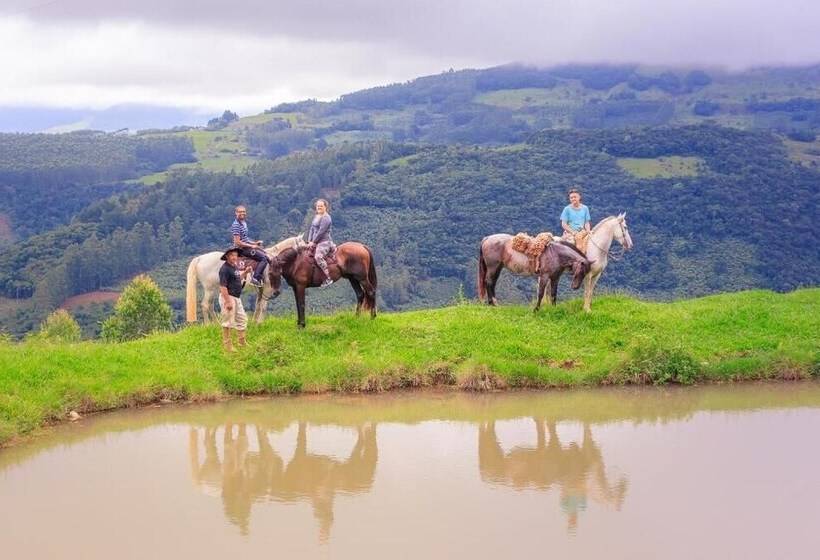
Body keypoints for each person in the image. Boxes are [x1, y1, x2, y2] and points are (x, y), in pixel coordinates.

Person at [218, 246, 252, 352]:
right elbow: (223, 287)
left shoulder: (234, 267)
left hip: (237, 297)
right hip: (228, 297)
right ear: (227, 256)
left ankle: (241, 342)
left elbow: (237, 279)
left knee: (242, 319)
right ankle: (227, 346)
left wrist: (245, 272)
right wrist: (227, 301)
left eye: (236, 255)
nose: (234, 257)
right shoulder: (224, 269)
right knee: (228, 321)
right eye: (232, 255)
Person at [230, 205, 270, 287]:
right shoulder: (236, 225)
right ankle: (255, 278)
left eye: (244, 211)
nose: (242, 213)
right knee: (264, 258)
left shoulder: (244, 223)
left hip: (246, 246)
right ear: (236, 213)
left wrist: (254, 243)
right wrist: (251, 246)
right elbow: (237, 242)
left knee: (264, 253)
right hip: (241, 249)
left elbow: (245, 238)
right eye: (240, 212)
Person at [307, 198, 335, 288]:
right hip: (315, 241)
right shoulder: (316, 216)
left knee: (318, 257)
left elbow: (321, 232)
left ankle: (328, 277)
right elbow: (311, 229)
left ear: (325, 207)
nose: (319, 207)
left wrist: (314, 242)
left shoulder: (326, 218)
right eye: (318, 206)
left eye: (321, 206)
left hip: (324, 242)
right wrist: (309, 241)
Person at [560, 188, 592, 253]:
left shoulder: (585, 208)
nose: (573, 199)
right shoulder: (567, 209)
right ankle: (579, 259)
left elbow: (586, 222)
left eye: (575, 197)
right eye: (571, 198)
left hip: (582, 231)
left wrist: (588, 231)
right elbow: (564, 224)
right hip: (570, 233)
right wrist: (573, 232)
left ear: (579, 197)